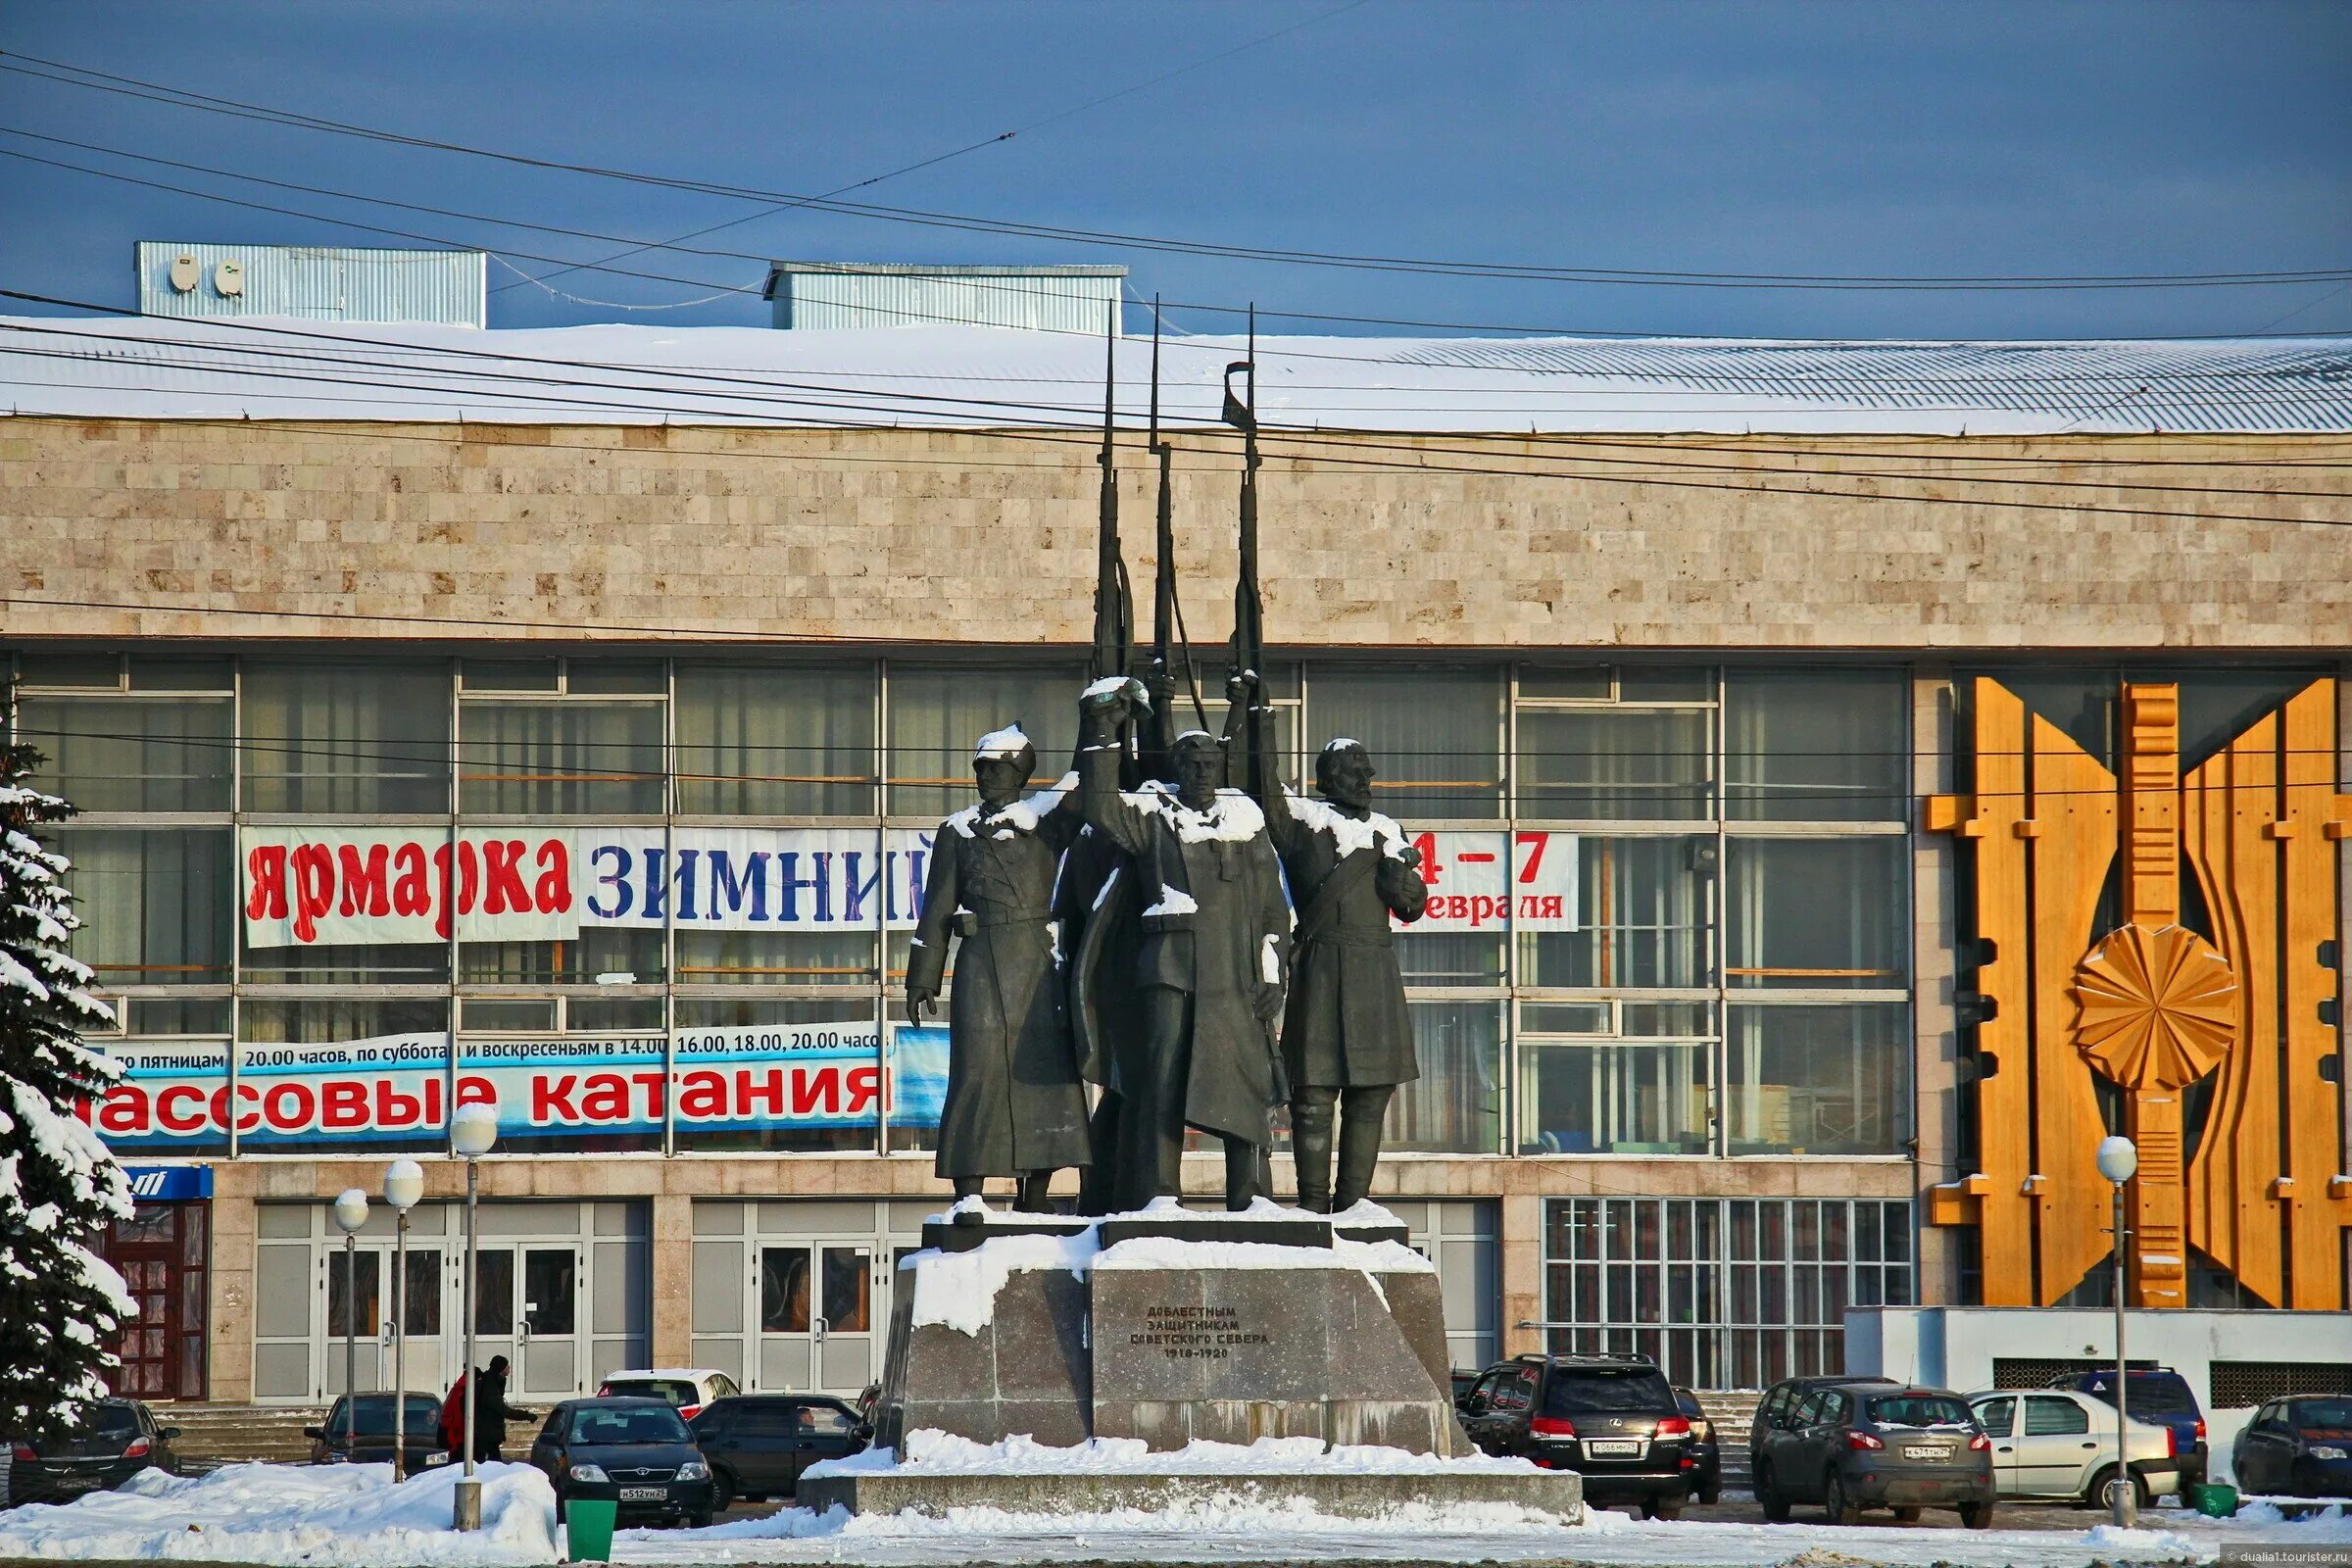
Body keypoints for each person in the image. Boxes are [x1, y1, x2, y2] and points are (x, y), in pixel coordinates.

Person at [1077, 680, 1290, 1211]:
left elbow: (1271, 910)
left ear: (1220, 768)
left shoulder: (1247, 823)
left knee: (1243, 1085)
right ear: (1176, 766)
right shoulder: (1153, 816)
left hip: (1237, 978)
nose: (1200, 771)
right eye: (1190, 762)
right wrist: (1105, 727)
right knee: (1161, 1084)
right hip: (1168, 973)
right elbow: (1100, 808)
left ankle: (1251, 1197)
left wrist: (1272, 971)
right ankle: (1159, 1195)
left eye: (1209, 763)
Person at [1242, 677, 1430, 1213]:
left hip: (1374, 970)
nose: (1365, 778)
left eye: (1366, 769)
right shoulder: (1303, 822)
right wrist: (1263, 720)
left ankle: (1355, 1208)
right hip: (1321, 965)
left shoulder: (1390, 830)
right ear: (1327, 777)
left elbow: (1412, 907)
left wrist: (1406, 885)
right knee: (1313, 1098)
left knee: (1372, 1095)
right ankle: (1313, 1206)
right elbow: (1265, 789)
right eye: (1353, 770)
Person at [904, 723, 1094, 1213]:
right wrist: (924, 976)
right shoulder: (958, 830)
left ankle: (1037, 1194)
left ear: (1020, 774)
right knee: (976, 1071)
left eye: (997, 768)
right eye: (981, 768)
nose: (986, 776)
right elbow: (937, 908)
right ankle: (970, 1192)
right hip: (981, 961)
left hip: (1036, 962)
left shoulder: (1045, 821)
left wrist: (1097, 718)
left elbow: (1086, 777)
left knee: (1041, 1074)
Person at [469, 1354, 536, 1463]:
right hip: (486, 1432)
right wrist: (526, 1415)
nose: (509, 1367)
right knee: (490, 1463)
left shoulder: (492, 1381)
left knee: (489, 1462)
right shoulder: (490, 1385)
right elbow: (502, 1410)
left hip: (487, 1432)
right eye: (506, 1365)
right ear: (500, 1368)